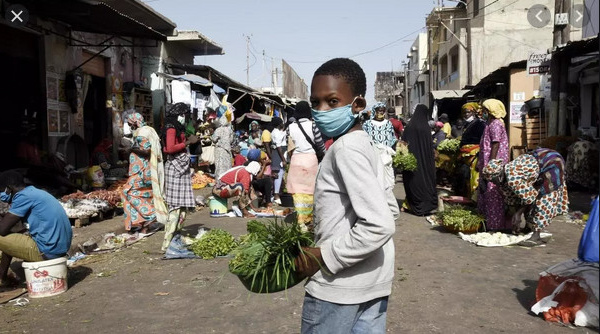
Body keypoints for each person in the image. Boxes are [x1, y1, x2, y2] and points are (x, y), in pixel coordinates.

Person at [294, 57, 399, 334]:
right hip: (372, 284)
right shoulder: (367, 144)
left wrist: (323, 254)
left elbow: (380, 224)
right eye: (315, 103)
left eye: (332, 102)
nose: (321, 110)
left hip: (338, 289)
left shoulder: (344, 150)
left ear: (358, 105)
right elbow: (391, 208)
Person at [482, 148, 569, 246]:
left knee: (543, 198)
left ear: (498, 175)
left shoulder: (513, 177)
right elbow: (515, 197)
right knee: (528, 197)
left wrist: (518, 214)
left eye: (493, 180)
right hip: (537, 164)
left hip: (551, 162)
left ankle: (536, 235)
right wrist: (515, 213)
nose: (492, 183)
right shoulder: (504, 178)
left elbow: (530, 198)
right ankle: (529, 227)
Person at [0, 171, 72, 287]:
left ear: (8, 189)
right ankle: (2, 278)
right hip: (58, 249)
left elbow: (2, 230)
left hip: (47, 251)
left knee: (2, 236)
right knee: (9, 238)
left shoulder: (22, 197)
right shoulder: (34, 192)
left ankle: (2, 279)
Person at [121, 113, 168, 233]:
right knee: (145, 194)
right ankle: (144, 224)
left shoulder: (142, 133)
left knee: (128, 192)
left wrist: (130, 149)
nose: (129, 125)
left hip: (141, 170)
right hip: (145, 170)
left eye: (130, 123)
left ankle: (151, 216)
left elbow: (146, 150)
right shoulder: (148, 130)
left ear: (135, 122)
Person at [161, 103, 199, 251]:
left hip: (181, 167)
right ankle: (167, 244)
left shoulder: (178, 127)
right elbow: (169, 148)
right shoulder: (171, 127)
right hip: (174, 168)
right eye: (184, 114)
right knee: (176, 207)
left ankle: (175, 238)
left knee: (183, 207)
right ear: (179, 114)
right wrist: (188, 142)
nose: (186, 117)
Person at [286, 101, 323, 228]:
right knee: (310, 192)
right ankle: (308, 220)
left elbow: (289, 147)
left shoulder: (290, 127)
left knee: (298, 193)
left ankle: (300, 221)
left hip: (296, 161)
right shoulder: (314, 125)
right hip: (311, 161)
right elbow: (320, 145)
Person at [477, 99, 510, 232]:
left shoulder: (496, 124)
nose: (483, 113)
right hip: (486, 163)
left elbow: (495, 144)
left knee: (493, 193)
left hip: (494, 164)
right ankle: (486, 221)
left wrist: (491, 163)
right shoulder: (489, 123)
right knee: (485, 191)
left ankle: (494, 225)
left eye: (485, 110)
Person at [401, 104, 438, 216]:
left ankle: (414, 205)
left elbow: (403, 143)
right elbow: (429, 146)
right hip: (426, 161)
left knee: (413, 181)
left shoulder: (409, 127)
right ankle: (427, 205)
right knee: (426, 180)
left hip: (411, 161)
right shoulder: (426, 127)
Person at [453, 102, 487, 200]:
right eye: (464, 112)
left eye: (468, 112)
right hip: (465, 156)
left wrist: (480, 157)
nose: (466, 114)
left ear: (474, 112)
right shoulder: (467, 124)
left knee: (472, 178)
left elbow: (483, 141)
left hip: (474, 155)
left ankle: (473, 200)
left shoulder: (480, 124)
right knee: (464, 177)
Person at [363, 102, 397, 188]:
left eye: (382, 111)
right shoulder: (368, 124)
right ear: (375, 111)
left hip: (386, 156)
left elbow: (392, 138)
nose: (380, 113)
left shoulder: (388, 124)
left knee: (387, 183)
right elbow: (363, 138)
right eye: (378, 110)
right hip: (372, 155)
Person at [269, 117, 287, 205]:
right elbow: (279, 146)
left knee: (280, 174)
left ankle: (276, 193)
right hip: (279, 154)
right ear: (279, 124)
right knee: (278, 175)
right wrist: (283, 159)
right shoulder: (276, 133)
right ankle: (276, 195)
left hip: (281, 153)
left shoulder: (278, 132)